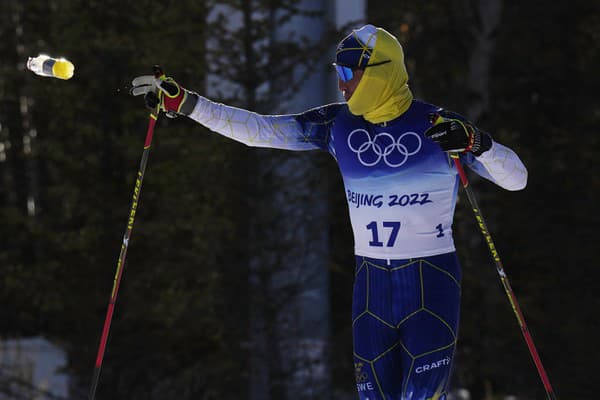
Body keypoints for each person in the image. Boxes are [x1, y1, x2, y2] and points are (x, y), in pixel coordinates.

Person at [131, 24, 527, 400]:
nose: (340, 82)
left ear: (377, 73)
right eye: (337, 70)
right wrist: (187, 104)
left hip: (431, 281)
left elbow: (516, 179)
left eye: (347, 72)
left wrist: (477, 143)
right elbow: (262, 131)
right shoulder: (338, 125)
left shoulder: (438, 126)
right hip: (371, 288)